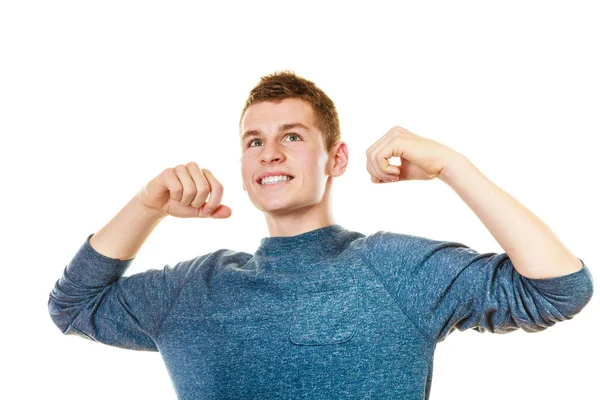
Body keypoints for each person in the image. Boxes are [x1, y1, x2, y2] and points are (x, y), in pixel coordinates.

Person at [48, 70, 594, 399]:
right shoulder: (194, 288)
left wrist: (453, 166)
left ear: (336, 157)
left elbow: (560, 288)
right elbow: (72, 307)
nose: (272, 154)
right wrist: (146, 207)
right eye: (254, 141)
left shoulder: (395, 268)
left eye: (291, 135)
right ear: (243, 163)